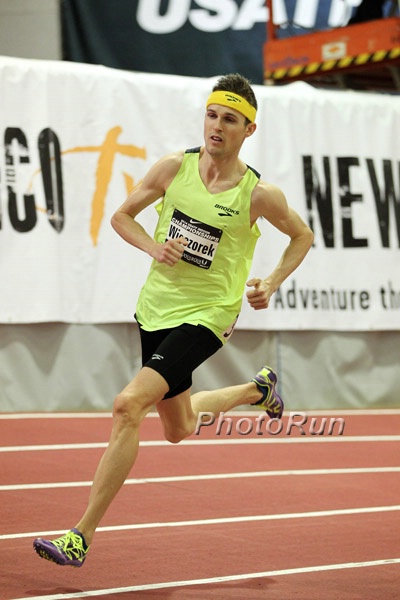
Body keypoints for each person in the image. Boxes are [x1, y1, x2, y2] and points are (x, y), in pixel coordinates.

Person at [33, 73, 314, 567]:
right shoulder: (172, 169)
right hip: (156, 308)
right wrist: (153, 247)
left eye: (230, 119)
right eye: (212, 115)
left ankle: (81, 535)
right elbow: (122, 216)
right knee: (178, 427)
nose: (217, 126)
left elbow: (302, 236)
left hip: (209, 315)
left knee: (128, 405)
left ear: (249, 129)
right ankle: (257, 391)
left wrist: (270, 282)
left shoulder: (257, 195)